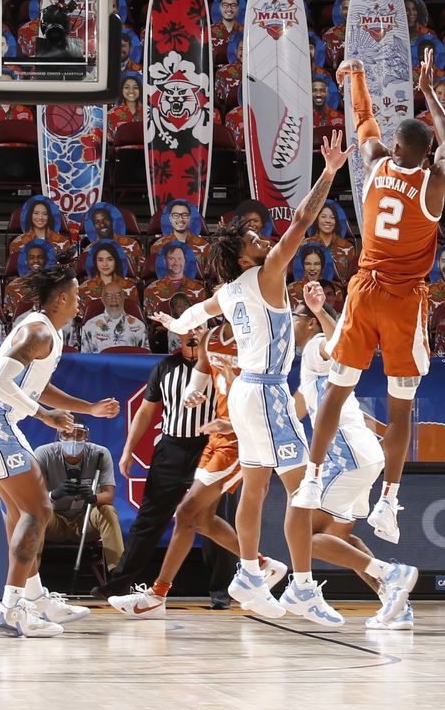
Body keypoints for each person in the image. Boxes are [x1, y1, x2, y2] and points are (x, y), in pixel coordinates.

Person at [153, 133, 352, 624]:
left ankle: (246, 571)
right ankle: (303, 587)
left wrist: (170, 324)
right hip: (264, 391)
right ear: (245, 257)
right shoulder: (266, 275)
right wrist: (328, 171)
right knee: (302, 486)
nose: (264, 239)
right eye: (254, 240)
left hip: (246, 393)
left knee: (257, 488)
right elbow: (303, 221)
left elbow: (189, 320)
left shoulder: (227, 290)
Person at [298, 51, 445, 546]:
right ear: (426, 154)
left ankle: (311, 476)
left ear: (395, 146)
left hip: (363, 292)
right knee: (402, 407)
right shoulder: (433, 184)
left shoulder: (373, 163)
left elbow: (364, 121)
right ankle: (388, 501)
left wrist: (358, 76)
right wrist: (428, 90)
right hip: (404, 301)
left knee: (337, 389)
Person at [0, 249, 121, 638]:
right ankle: (11, 610)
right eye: (77, 294)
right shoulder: (39, 330)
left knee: (21, 511)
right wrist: (43, 415)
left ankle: (35, 596)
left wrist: (89, 408)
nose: (80, 300)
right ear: (62, 298)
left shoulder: (50, 332)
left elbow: (35, 385)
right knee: (40, 509)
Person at [290, 281, 419, 627]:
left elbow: (337, 344)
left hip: (349, 458)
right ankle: (395, 603)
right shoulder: (307, 368)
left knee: (306, 533)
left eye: (296, 316)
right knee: (342, 537)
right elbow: (294, 411)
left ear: (311, 323)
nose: (291, 321)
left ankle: (391, 572)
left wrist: (319, 310)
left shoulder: (318, 344)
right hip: (361, 456)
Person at [99, 318, 239, 607]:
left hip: (209, 447)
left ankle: (222, 593)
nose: (190, 338)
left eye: (195, 331)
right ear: (177, 337)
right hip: (171, 448)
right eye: (185, 333)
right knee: (149, 519)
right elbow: (146, 412)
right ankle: (118, 584)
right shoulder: (164, 368)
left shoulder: (217, 364)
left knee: (214, 519)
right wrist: (128, 450)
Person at [35, 422, 123, 571]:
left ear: (86, 436)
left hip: (85, 520)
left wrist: (93, 498)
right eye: (67, 434)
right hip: (54, 520)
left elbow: (109, 496)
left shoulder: (100, 454)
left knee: (108, 511)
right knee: (34, 514)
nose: (73, 439)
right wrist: (53, 494)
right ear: (59, 436)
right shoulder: (44, 453)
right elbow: (33, 497)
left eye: (79, 434)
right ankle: (30, 579)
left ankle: (119, 576)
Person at [79, 287, 148, 352]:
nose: (113, 299)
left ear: (123, 298)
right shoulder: (89, 326)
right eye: (109, 296)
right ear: (103, 300)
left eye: (118, 295)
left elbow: (146, 358)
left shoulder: (139, 325)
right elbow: (84, 359)